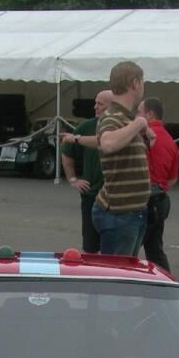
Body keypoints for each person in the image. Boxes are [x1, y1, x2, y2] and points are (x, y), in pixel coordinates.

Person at [91, 60, 154, 256]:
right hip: (119, 215)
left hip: (130, 213)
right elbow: (108, 144)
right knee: (116, 279)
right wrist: (140, 123)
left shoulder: (124, 118)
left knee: (125, 275)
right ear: (135, 83)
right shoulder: (113, 117)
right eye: (142, 82)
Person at [60, 89, 113, 252]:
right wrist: (73, 179)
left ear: (112, 107)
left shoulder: (121, 127)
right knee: (90, 246)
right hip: (92, 194)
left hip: (115, 197)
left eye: (100, 104)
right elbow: (67, 152)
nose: (95, 107)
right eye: (95, 103)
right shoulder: (86, 126)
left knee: (112, 246)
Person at [139, 97, 179, 271]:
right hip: (161, 198)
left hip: (142, 198)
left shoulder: (141, 136)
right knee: (155, 249)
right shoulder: (171, 142)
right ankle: (165, 287)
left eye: (139, 112)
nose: (136, 117)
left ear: (149, 114)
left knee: (128, 251)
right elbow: (173, 178)